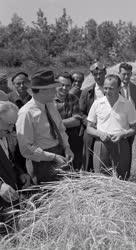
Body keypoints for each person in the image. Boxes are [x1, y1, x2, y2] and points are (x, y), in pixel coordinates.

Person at [16, 70, 74, 184]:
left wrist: (67, 147)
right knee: (48, 196)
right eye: (52, 88)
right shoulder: (26, 113)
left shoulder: (51, 105)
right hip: (42, 162)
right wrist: (52, 157)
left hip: (59, 154)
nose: (55, 90)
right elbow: (26, 148)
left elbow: (61, 129)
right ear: (42, 91)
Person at [87, 74, 136, 180]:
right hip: (101, 144)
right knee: (101, 178)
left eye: (111, 88)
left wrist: (123, 134)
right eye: (105, 88)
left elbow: (135, 128)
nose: (107, 91)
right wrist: (99, 133)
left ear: (119, 88)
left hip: (121, 144)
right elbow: (89, 128)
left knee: (121, 178)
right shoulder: (97, 103)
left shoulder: (127, 104)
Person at [0, 101, 31, 235]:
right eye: (9, 124)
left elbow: (9, 161)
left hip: (8, 204)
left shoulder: (4, 135)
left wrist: (20, 174)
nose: (12, 129)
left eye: (13, 124)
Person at [79, 62, 107, 171]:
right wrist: (90, 124)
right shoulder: (87, 92)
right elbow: (80, 113)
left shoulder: (113, 90)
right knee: (88, 157)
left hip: (107, 129)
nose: (98, 76)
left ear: (105, 72)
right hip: (91, 130)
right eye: (95, 74)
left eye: (100, 73)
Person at [55, 72, 83, 170]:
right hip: (54, 141)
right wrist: (68, 122)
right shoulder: (49, 100)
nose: (64, 88)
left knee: (73, 168)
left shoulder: (73, 98)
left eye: (67, 86)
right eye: (61, 85)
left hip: (71, 140)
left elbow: (76, 121)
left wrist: (55, 124)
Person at [119, 62, 136, 165]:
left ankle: (126, 175)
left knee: (128, 153)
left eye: (129, 74)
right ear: (119, 73)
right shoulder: (114, 88)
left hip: (131, 127)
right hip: (118, 126)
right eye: (124, 74)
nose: (126, 76)